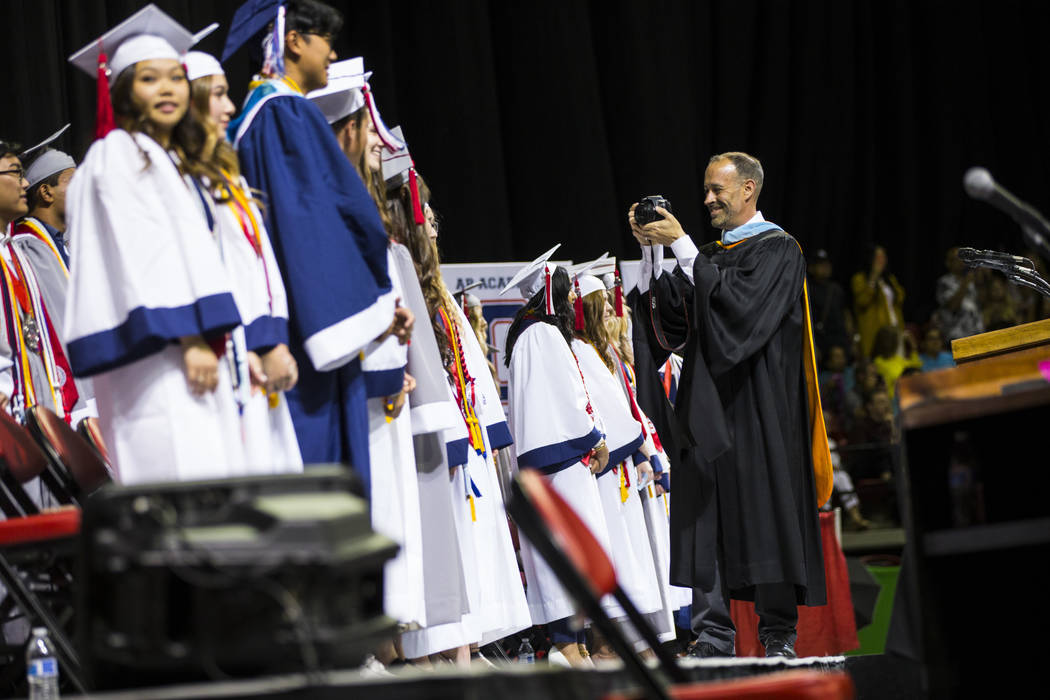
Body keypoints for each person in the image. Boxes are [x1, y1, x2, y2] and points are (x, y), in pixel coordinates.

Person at [628, 151, 829, 659]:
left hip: (761, 408)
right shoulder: (712, 254)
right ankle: (713, 634)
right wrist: (654, 253)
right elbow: (672, 326)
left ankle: (776, 634)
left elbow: (740, 313)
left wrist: (681, 245)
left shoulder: (781, 250)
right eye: (706, 190)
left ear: (748, 190)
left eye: (718, 190)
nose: (708, 199)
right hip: (708, 406)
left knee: (767, 511)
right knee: (704, 516)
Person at [222, 0, 411, 492]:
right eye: (325, 40)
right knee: (326, 487)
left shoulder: (272, 114)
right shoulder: (281, 114)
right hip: (313, 330)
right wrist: (370, 304)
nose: (332, 54)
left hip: (318, 319)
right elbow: (310, 226)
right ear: (293, 40)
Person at [63, 5, 247, 483]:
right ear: (121, 91)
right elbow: (144, 256)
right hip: (161, 353)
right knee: (181, 485)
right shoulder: (120, 154)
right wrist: (189, 339)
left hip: (171, 347)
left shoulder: (159, 156)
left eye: (176, 77)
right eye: (149, 78)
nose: (167, 89)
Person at [184, 50, 303, 474]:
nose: (230, 108)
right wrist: (258, 343)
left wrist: (275, 339)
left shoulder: (226, 176)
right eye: (217, 95)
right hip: (232, 353)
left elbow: (258, 264)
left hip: (254, 349)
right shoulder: (184, 181)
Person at [502, 246, 613, 667]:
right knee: (569, 552)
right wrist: (595, 439)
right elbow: (567, 397)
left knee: (574, 555)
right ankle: (567, 644)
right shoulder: (542, 334)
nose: (570, 304)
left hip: (561, 462)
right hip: (561, 464)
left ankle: (575, 642)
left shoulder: (534, 335)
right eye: (564, 295)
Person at [851, 245, 905, 359]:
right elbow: (862, 301)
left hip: (894, 329)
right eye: (878, 257)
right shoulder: (860, 279)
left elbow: (900, 298)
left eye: (883, 257)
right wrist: (873, 277)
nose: (881, 260)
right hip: (875, 333)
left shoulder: (889, 279)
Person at [807, 248, 853, 363]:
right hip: (821, 343)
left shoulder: (836, 289)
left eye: (827, 264)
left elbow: (846, 314)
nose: (825, 267)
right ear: (811, 267)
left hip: (841, 341)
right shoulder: (807, 290)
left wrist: (852, 340)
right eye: (820, 264)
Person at [934, 247, 983, 342]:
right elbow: (953, 307)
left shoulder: (971, 280)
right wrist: (965, 283)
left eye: (963, 259)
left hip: (977, 335)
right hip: (957, 337)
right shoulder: (944, 282)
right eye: (958, 259)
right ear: (949, 263)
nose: (961, 262)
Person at [870, 325, 921, 401]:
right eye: (896, 339)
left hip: (905, 398)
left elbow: (916, 366)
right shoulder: (878, 362)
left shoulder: (897, 359)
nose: (898, 343)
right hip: (893, 400)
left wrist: (913, 347)